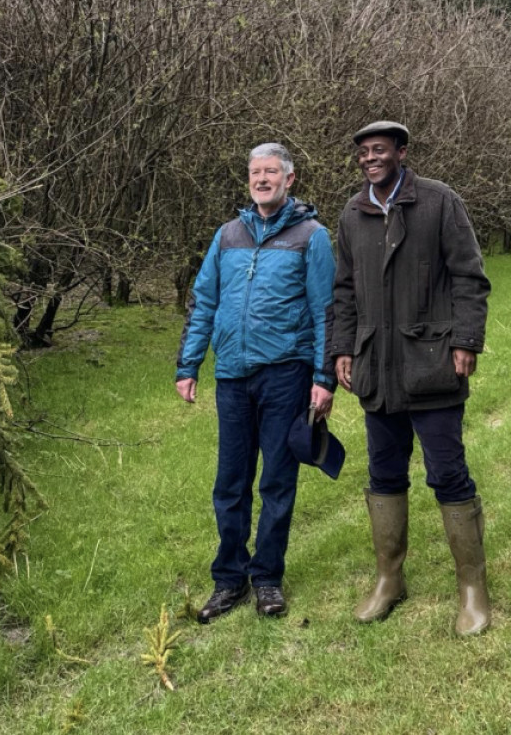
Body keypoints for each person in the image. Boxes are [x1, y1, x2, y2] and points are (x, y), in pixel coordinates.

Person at [328, 120, 492, 636]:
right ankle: (388, 580)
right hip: (376, 368)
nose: (369, 159)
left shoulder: (440, 202)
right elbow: (344, 292)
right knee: (383, 475)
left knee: (447, 474)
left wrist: (466, 340)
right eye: (362, 153)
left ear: (401, 152)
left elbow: (469, 276)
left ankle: (472, 590)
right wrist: (343, 351)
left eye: (379, 150)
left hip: (432, 364)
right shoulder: (353, 215)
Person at [176, 142, 335, 622]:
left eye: (271, 172)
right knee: (230, 482)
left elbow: (325, 309)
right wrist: (189, 365)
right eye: (254, 173)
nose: (261, 179)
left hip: (286, 374)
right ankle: (229, 580)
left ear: (290, 179)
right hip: (232, 377)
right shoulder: (227, 235)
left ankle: (267, 578)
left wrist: (324, 377)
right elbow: (204, 300)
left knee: (277, 481)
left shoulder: (312, 236)